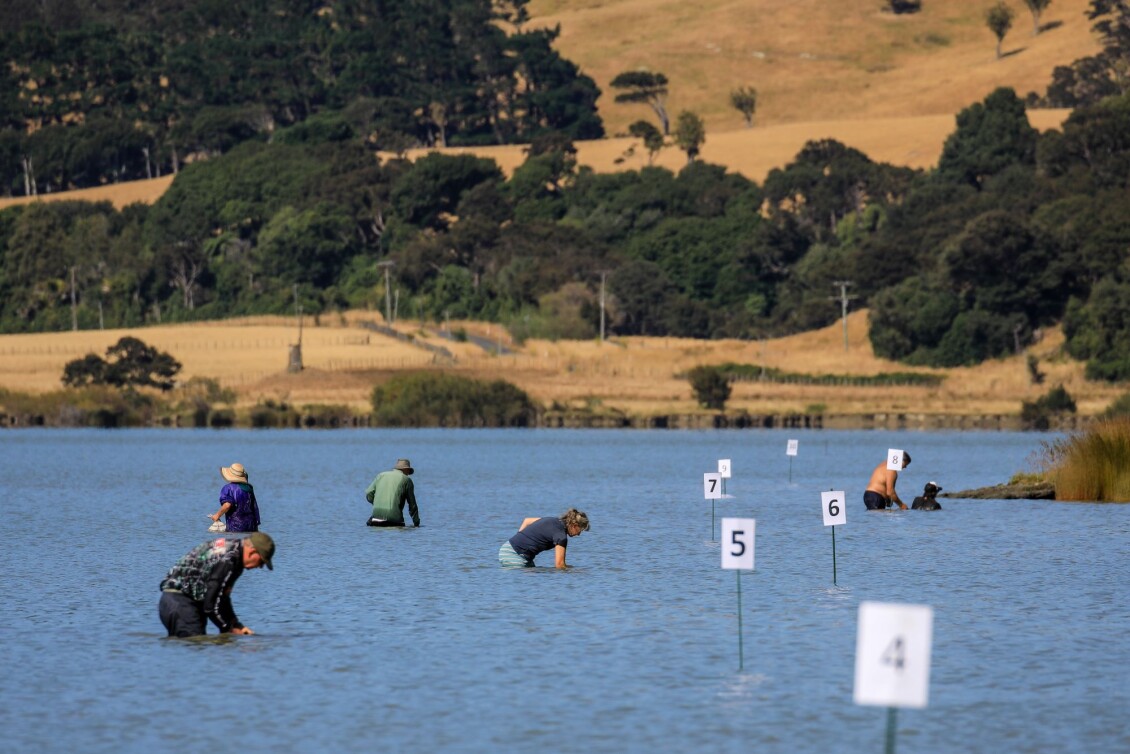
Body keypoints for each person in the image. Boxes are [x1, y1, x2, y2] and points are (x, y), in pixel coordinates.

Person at [158, 532, 275, 638]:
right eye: (261, 561)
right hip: (181, 603)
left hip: (174, 601)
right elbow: (211, 605)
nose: (260, 566)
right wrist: (229, 628)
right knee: (194, 648)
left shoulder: (234, 553)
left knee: (191, 648)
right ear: (252, 552)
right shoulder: (228, 560)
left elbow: (221, 598)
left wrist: (236, 625)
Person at [499, 508, 590, 569]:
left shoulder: (553, 520)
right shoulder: (561, 536)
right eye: (580, 530)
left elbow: (527, 521)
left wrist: (520, 539)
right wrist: (575, 571)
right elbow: (559, 565)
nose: (579, 534)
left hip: (508, 547)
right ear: (574, 525)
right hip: (514, 555)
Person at [365, 458, 420, 527]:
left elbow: (368, 493)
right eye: (408, 471)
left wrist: (377, 504)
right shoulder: (407, 480)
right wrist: (416, 523)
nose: (408, 474)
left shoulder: (381, 475)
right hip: (394, 521)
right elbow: (412, 505)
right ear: (405, 469)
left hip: (375, 519)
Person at [209, 462, 261, 532]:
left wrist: (217, 516)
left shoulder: (228, 488)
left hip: (235, 527)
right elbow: (254, 508)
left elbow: (227, 505)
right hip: (251, 526)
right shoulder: (249, 488)